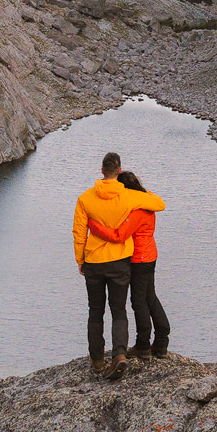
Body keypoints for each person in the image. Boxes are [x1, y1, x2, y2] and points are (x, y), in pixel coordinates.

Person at [73, 151, 165, 380]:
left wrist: (80, 260)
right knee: (119, 310)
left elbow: (78, 233)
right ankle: (120, 355)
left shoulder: (85, 198)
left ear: (102, 170)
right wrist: (145, 192)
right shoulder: (130, 197)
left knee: (95, 311)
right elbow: (159, 204)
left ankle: (96, 361)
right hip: (120, 262)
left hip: (93, 262)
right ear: (119, 170)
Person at [86, 169, 169, 360]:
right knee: (150, 298)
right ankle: (162, 341)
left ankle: (143, 345)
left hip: (138, 259)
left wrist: (95, 227)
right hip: (150, 256)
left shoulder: (137, 212)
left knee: (138, 302)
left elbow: (119, 235)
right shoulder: (147, 200)